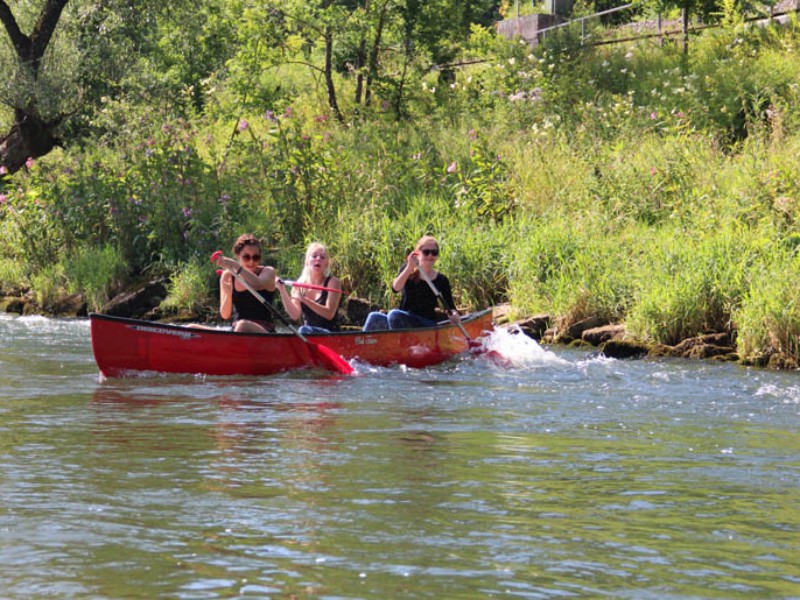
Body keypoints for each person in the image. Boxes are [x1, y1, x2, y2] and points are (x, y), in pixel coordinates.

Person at [362, 235, 462, 331]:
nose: (430, 255)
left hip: (426, 324)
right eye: (426, 252)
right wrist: (409, 268)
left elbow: (451, 306)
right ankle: (361, 346)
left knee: (394, 314)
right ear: (418, 253)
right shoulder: (407, 269)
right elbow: (395, 288)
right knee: (374, 316)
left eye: (434, 252)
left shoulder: (441, 279)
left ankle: (400, 344)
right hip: (403, 318)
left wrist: (454, 314)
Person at [213, 234, 277, 333]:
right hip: (237, 329)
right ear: (238, 255)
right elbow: (225, 315)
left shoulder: (268, 271)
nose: (251, 262)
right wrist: (228, 294)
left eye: (256, 257)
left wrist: (235, 265)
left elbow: (257, 284)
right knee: (192, 327)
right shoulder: (227, 275)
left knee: (242, 325)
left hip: (264, 330)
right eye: (246, 257)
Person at [277, 242, 342, 335]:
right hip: (307, 333)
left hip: (329, 333)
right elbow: (295, 315)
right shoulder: (299, 285)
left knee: (303, 330)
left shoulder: (333, 282)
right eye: (314, 256)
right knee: (303, 330)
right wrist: (282, 290)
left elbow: (329, 314)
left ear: (326, 263)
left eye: (322, 257)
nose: (318, 259)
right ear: (307, 261)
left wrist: (304, 299)